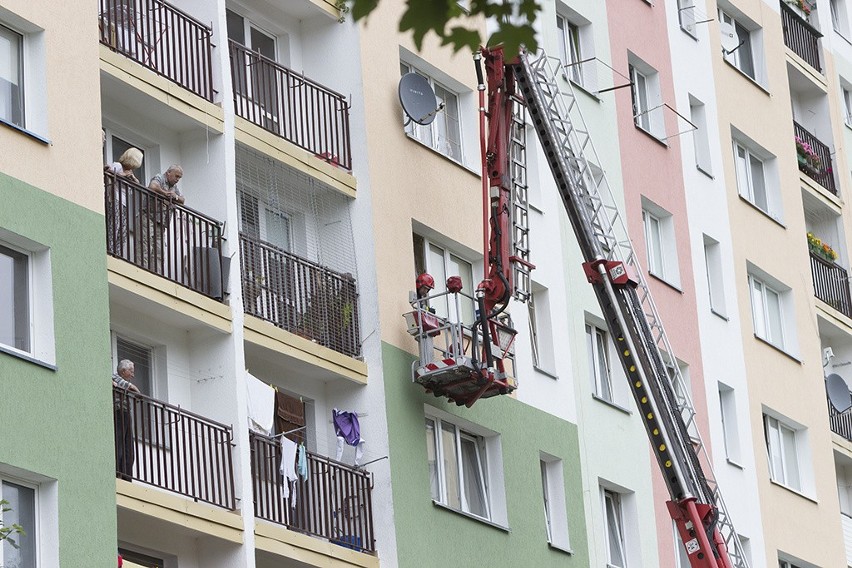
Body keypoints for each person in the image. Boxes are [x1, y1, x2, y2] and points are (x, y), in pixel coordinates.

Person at [139, 165, 184, 272]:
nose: (177, 180)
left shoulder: (174, 187)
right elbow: (152, 186)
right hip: (149, 216)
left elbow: (182, 200)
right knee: (145, 245)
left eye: (179, 178)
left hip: (162, 222)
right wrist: (165, 194)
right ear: (169, 173)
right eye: (176, 176)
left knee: (159, 250)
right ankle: (142, 270)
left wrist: (175, 197)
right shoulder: (159, 177)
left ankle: (157, 273)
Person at [104, 148, 144, 256]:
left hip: (124, 204)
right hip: (115, 199)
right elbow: (108, 172)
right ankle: (110, 250)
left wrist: (133, 179)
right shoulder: (118, 165)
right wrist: (124, 176)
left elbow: (138, 185)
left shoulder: (130, 172)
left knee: (123, 231)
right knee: (114, 226)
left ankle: (117, 253)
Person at [113, 359, 140, 481]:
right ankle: (118, 472)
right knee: (119, 443)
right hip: (118, 412)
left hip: (125, 414)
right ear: (123, 371)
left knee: (128, 446)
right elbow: (131, 387)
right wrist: (138, 393)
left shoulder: (119, 381)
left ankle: (126, 475)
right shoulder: (114, 377)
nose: (133, 375)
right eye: (131, 371)